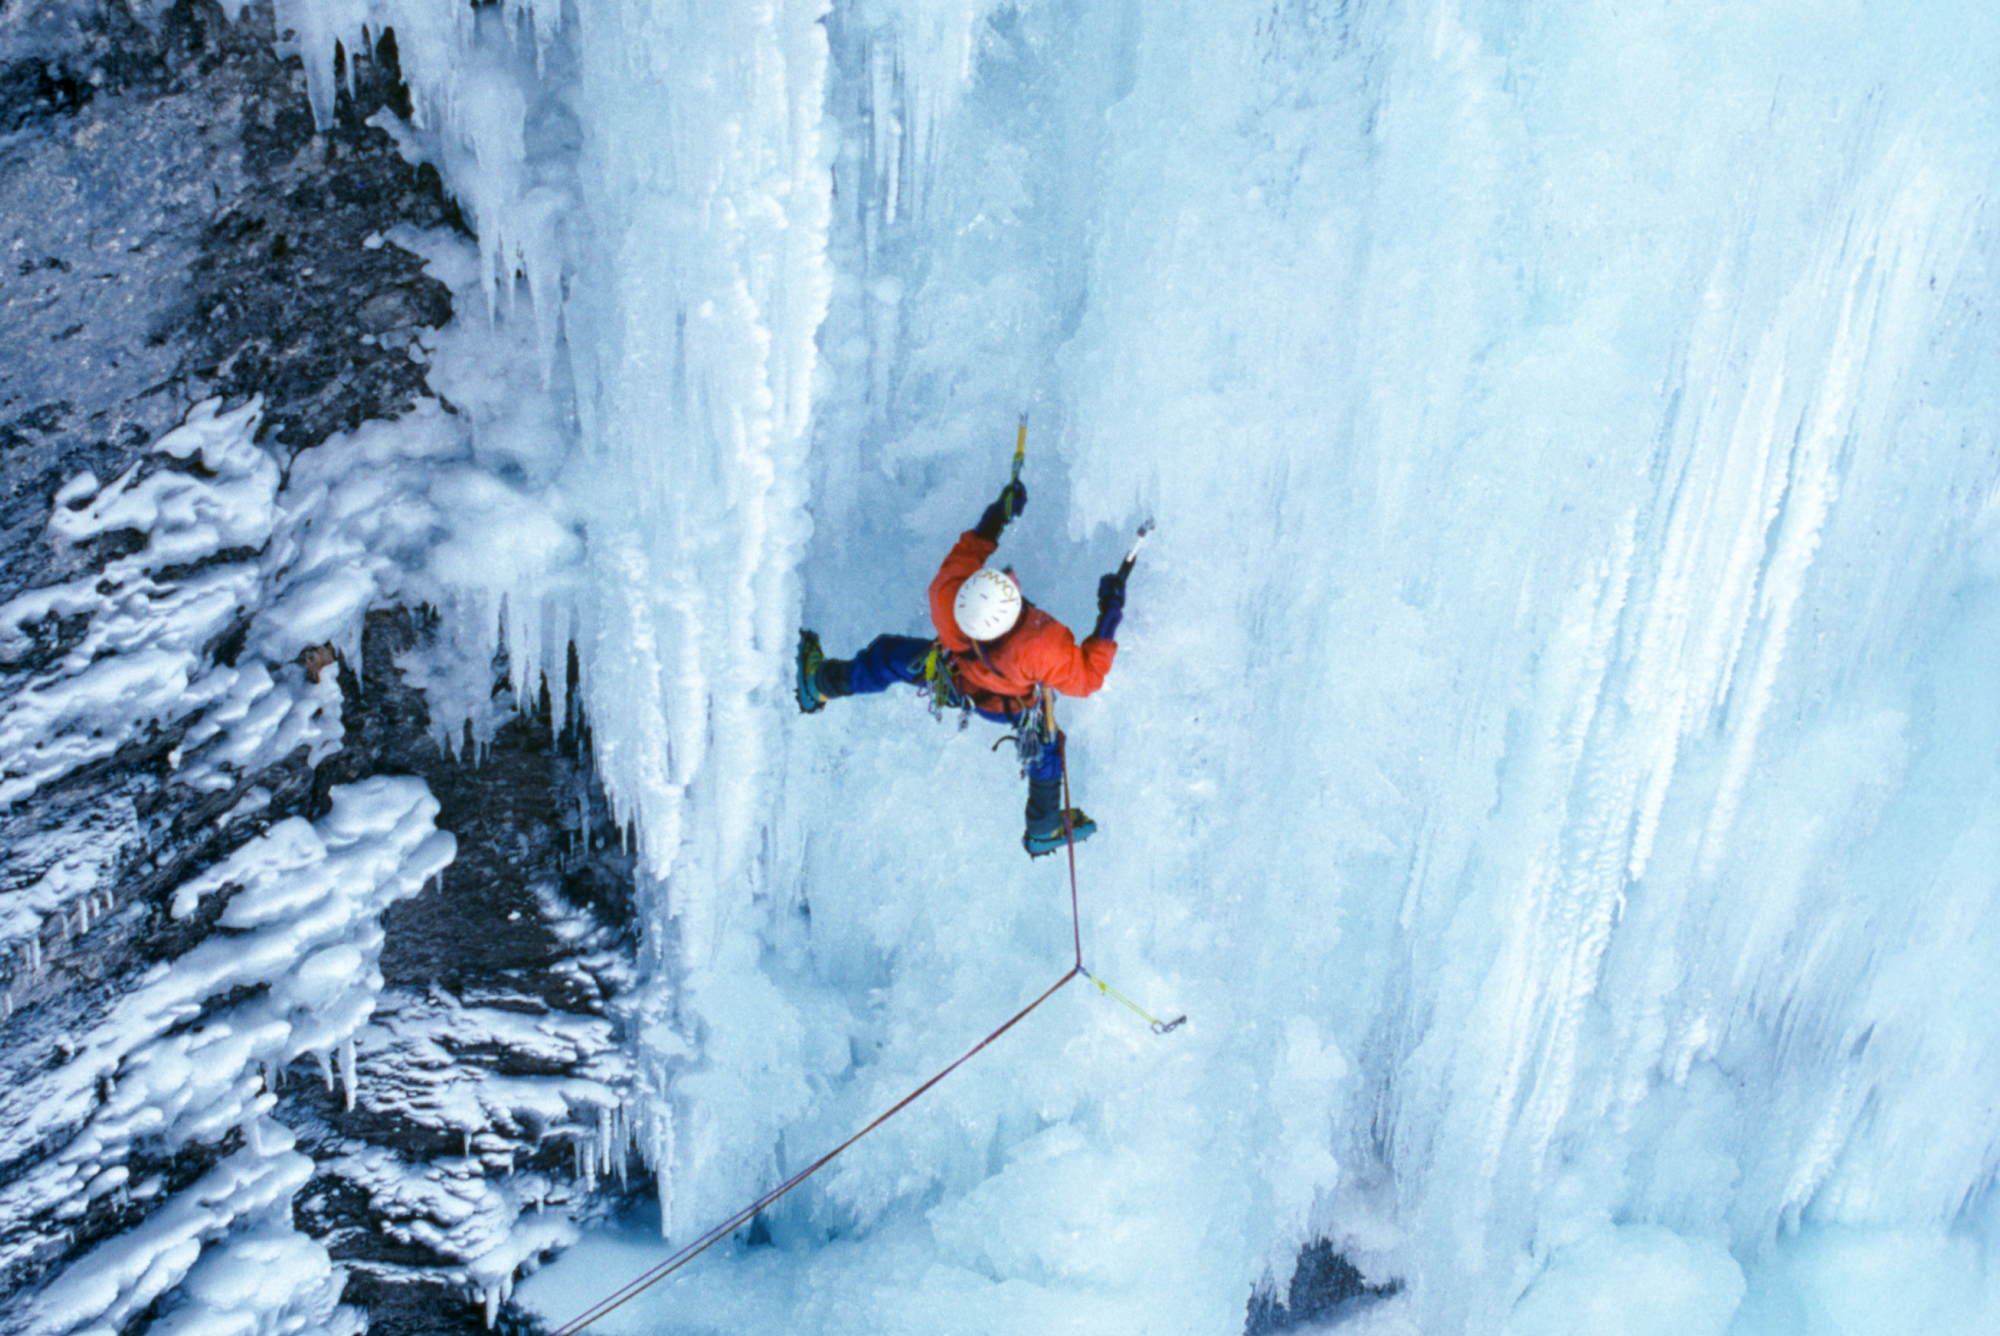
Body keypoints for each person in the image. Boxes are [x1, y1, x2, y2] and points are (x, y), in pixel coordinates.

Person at [796, 478, 1128, 856]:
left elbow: (967, 552)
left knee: (888, 657)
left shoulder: (947, 594)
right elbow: (1087, 678)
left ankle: (818, 684)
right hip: (1008, 704)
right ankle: (1044, 826)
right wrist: (1109, 617)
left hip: (952, 677)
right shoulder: (1040, 646)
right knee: (1046, 744)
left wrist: (999, 515)